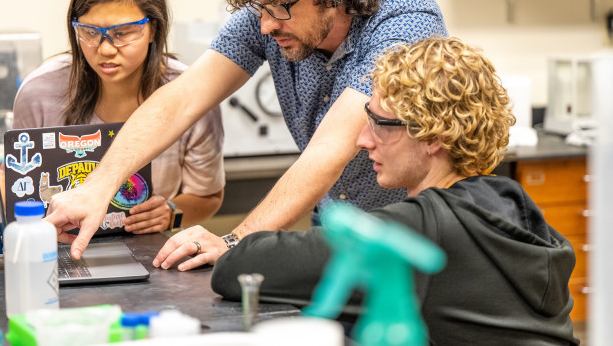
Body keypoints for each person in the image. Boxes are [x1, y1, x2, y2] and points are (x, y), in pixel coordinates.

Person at [45, 0, 447, 262]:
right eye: (260, 7)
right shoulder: (268, 17)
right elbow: (183, 97)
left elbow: (331, 147)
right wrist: (98, 186)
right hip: (338, 234)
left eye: (280, 8)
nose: (267, 24)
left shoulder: (403, 19)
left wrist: (235, 243)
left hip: (417, 238)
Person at [211, 37, 579, 345]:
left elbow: (240, 269)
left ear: (435, 137)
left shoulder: (424, 232)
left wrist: (230, 241)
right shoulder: (513, 206)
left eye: (379, 124)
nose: (362, 139)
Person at [0, 0, 225, 233]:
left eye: (124, 32)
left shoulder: (190, 94)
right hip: (55, 247)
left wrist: (171, 212)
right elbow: (13, 182)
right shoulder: (40, 92)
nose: (105, 48)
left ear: (153, 29)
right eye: (90, 32)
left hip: (148, 252)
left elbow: (208, 196)